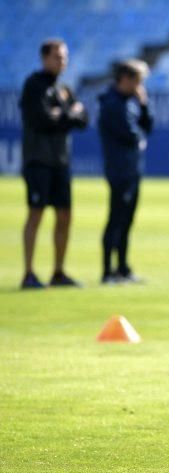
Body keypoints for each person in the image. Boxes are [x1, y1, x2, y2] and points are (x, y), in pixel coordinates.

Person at [19, 38, 88, 289]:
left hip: (61, 161)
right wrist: (69, 114)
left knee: (65, 215)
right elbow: (43, 120)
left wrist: (65, 115)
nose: (63, 61)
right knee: (35, 214)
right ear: (45, 58)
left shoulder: (65, 88)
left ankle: (58, 272)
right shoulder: (34, 85)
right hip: (38, 159)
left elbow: (83, 119)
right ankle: (28, 273)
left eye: (65, 56)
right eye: (58, 56)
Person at [97, 59, 153, 284]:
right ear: (125, 79)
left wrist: (144, 105)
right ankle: (107, 271)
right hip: (119, 170)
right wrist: (138, 138)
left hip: (132, 169)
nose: (139, 87)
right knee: (116, 219)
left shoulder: (130, 102)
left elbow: (147, 128)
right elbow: (131, 134)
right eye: (137, 81)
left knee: (127, 220)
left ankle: (122, 268)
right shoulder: (112, 104)